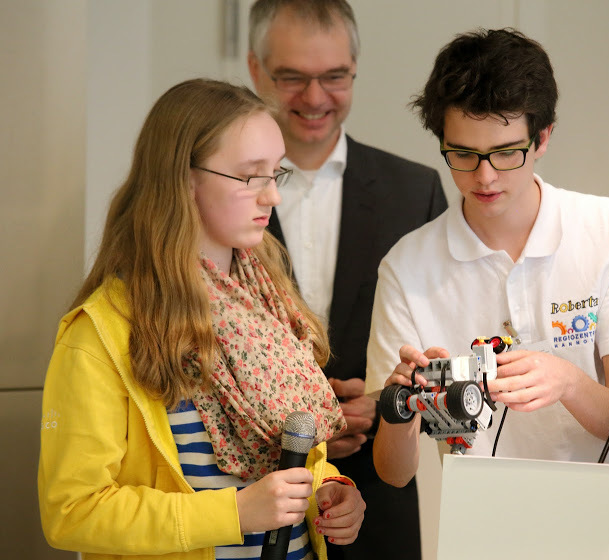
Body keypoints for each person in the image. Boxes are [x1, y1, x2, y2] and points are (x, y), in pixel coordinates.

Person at [38, 78, 365, 560]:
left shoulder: (268, 301)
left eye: (276, 173)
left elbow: (286, 460)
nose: (272, 197)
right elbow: (72, 512)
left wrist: (330, 490)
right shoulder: (104, 333)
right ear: (184, 179)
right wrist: (234, 513)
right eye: (250, 176)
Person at [366, 28, 609, 487]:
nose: (484, 177)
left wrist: (567, 381)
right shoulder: (406, 267)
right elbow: (394, 474)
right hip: (488, 510)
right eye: (463, 154)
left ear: (542, 137)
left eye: (505, 153)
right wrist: (402, 405)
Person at [247, 1, 447, 558]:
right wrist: (301, 421)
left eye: (334, 76)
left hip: (380, 498)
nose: (315, 98)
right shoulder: (221, 194)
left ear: (355, 70)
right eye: (292, 77)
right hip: (255, 497)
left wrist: (388, 405)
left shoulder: (415, 192)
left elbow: (444, 350)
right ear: (255, 69)